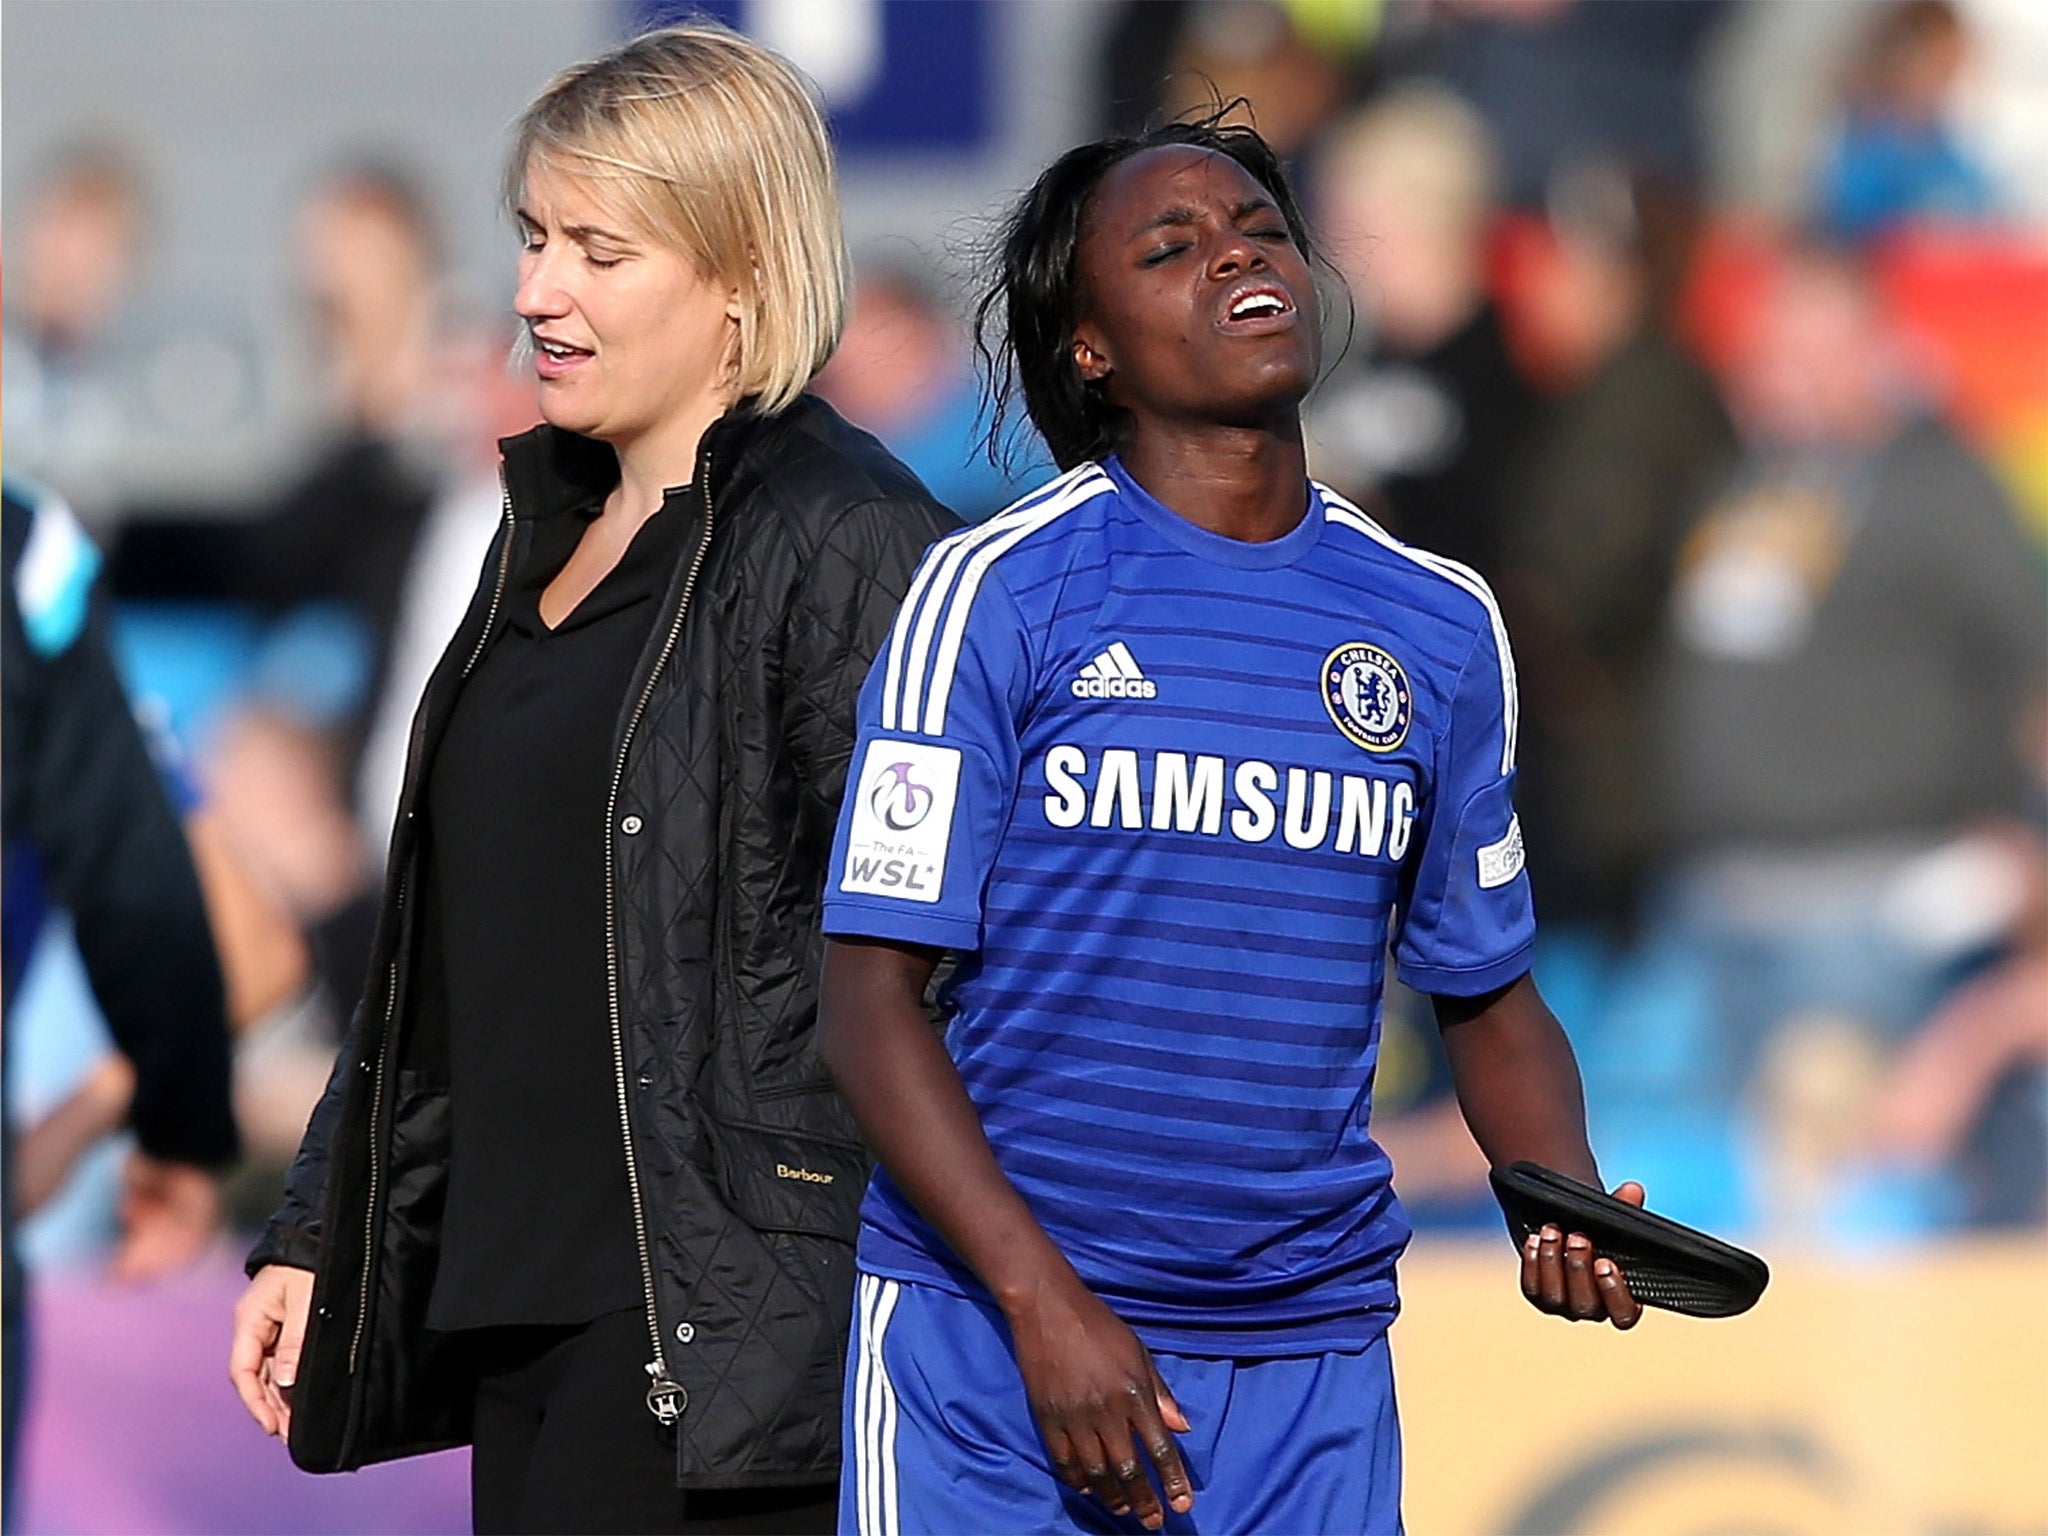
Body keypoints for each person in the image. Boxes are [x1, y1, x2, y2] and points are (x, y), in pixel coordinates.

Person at [817, 117, 1642, 1536]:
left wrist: (1560, 1196)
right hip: (997, 1349)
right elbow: (867, 1006)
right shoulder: (996, 594)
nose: (1238, 252)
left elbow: (1490, 995)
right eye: (1170, 247)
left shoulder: (1436, 627)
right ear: (1092, 349)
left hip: (1305, 1369)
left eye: (1259, 225)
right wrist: (1044, 1309)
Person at [227, 23, 956, 1535]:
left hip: (727, 1335)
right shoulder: (535, 531)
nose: (534, 293)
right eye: (532, 238)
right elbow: (449, 948)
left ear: (743, 277)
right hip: (522, 1303)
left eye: (598, 252)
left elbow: (947, 963)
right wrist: (318, 1226)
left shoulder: (851, 541)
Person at [3, 475, 240, 1528]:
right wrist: (175, 1129)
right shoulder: (27, 559)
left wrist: (78, 1127)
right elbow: (148, 900)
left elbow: (246, 943)